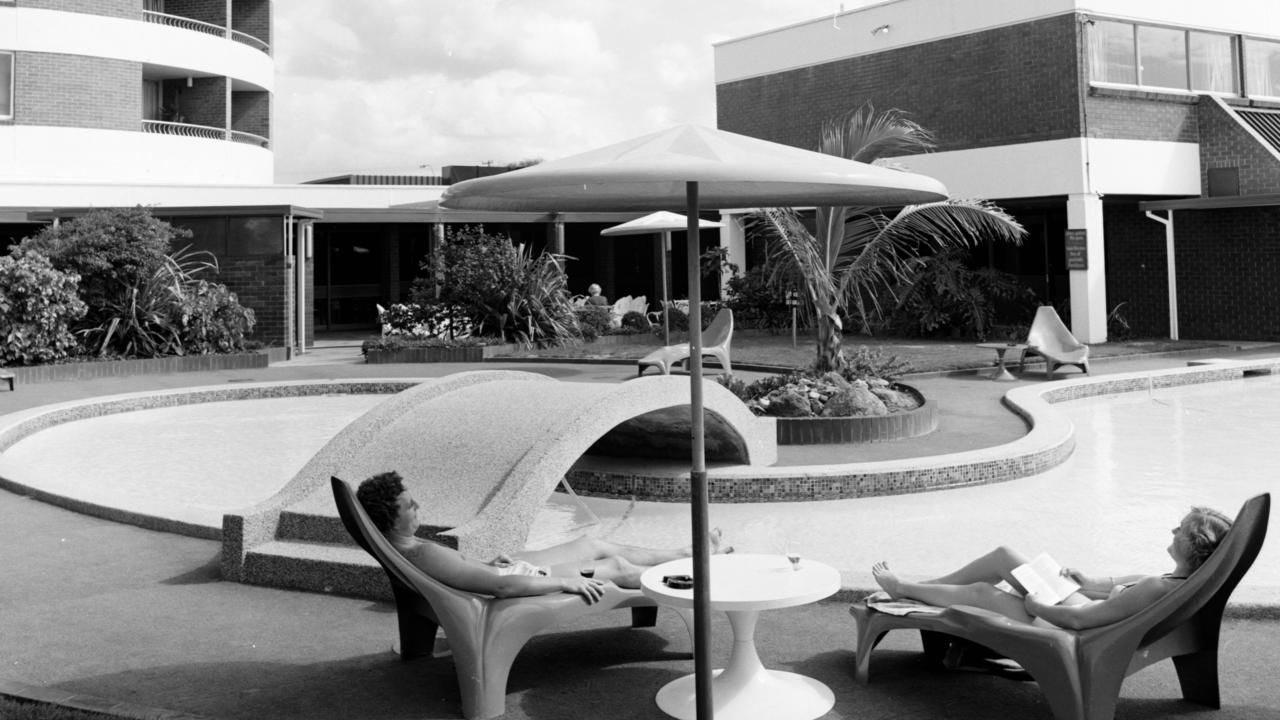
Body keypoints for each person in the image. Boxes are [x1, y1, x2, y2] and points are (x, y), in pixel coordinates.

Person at [357, 471, 726, 604]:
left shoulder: (407, 549)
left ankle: (686, 551)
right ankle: (703, 571)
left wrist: (485, 564)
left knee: (592, 543)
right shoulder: (422, 554)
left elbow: (469, 575)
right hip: (522, 581)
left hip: (512, 570)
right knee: (616, 566)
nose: (417, 505)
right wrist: (566, 583)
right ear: (390, 517)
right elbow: (501, 590)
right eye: (408, 505)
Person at [870, 506, 1232, 630]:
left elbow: (1080, 623)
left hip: (1070, 625)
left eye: (1181, 529)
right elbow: (1113, 589)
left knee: (983, 593)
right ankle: (927, 587)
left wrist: (1036, 607)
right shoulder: (1179, 579)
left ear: (1194, 545)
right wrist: (1086, 581)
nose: (1173, 529)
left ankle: (903, 589)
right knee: (1004, 554)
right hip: (1078, 604)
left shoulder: (1159, 586)